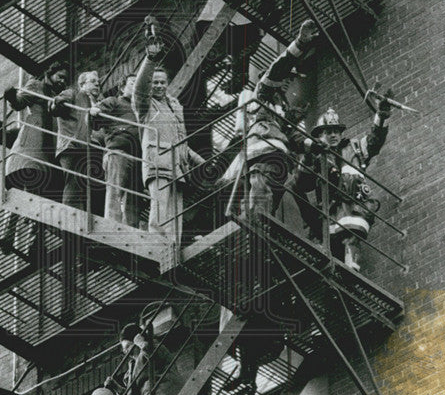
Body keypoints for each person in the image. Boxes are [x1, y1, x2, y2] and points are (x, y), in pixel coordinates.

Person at [223, 19, 319, 219]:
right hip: (263, 149)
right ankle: (254, 219)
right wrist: (300, 43)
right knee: (261, 191)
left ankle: (261, 224)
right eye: (286, 78)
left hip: (280, 155)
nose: (287, 83)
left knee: (271, 204)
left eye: (290, 80)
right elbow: (279, 68)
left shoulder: (282, 108)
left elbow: (292, 134)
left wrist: (313, 145)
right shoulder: (264, 93)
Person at [292, 94, 393, 272]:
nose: (333, 135)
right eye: (328, 132)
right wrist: (308, 156)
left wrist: (381, 116)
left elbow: (373, 141)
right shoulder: (313, 156)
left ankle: (351, 271)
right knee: (331, 247)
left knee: (351, 237)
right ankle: (336, 275)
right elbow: (301, 184)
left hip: (354, 206)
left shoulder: (353, 148)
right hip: (328, 210)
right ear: (318, 135)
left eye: (336, 131)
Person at [132, 36, 205, 248]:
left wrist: (198, 160)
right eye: (154, 82)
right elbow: (139, 88)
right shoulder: (146, 107)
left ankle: (172, 246)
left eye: (162, 82)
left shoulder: (173, 107)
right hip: (158, 162)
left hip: (177, 166)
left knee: (175, 212)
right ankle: (156, 245)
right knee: (160, 208)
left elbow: (180, 140)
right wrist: (150, 59)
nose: (158, 86)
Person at [0, 62, 69, 254]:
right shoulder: (37, 86)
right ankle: (8, 234)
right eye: (60, 76)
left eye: (65, 78)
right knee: (21, 192)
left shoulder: (59, 97)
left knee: (38, 197)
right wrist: (11, 97)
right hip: (30, 147)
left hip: (46, 153)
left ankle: (33, 242)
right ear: (50, 75)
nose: (62, 81)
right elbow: (19, 102)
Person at [91, 73, 143, 227]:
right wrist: (94, 111)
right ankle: (112, 225)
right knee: (115, 190)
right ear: (122, 87)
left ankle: (132, 229)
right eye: (133, 83)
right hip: (118, 151)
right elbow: (96, 118)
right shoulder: (114, 101)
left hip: (139, 157)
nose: (137, 86)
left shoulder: (141, 108)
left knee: (134, 197)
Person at [52, 70, 104, 214]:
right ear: (82, 84)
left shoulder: (97, 103)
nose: (97, 85)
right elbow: (57, 104)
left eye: (98, 83)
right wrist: (57, 103)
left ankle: (87, 220)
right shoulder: (73, 94)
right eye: (93, 81)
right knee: (74, 183)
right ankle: (72, 218)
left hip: (89, 148)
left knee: (90, 187)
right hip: (72, 146)